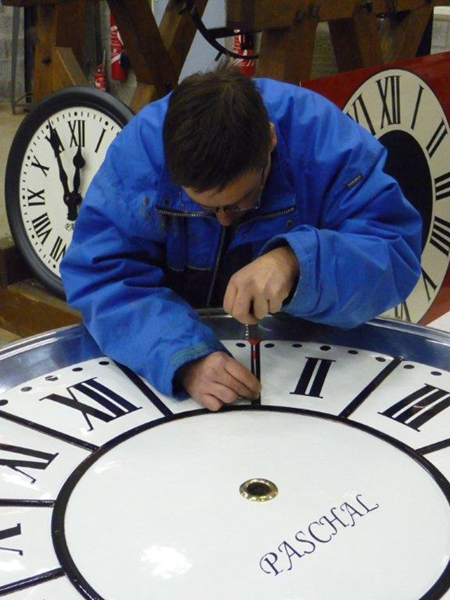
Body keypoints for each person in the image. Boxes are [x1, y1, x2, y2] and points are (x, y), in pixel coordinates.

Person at [60, 63, 422, 411]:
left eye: (237, 202)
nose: (222, 221)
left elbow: (394, 251)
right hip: (172, 356)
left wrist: (296, 262)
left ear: (270, 140)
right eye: (204, 207)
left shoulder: (325, 142)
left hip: (310, 366)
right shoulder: (142, 152)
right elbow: (103, 274)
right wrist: (184, 358)